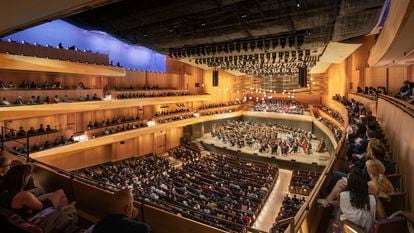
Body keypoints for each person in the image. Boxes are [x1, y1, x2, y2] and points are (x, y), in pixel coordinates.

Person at [0, 165, 68, 214]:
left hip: (21, 213)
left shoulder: (5, 191)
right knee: (61, 193)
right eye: (29, 177)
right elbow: (42, 207)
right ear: (23, 179)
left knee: (43, 191)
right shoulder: (23, 195)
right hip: (32, 217)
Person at [339, 168, 376, 232]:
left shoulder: (342, 195)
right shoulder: (373, 198)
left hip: (351, 229)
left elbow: (341, 210)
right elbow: (382, 219)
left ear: (349, 184)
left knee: (339, 216)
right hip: (369, 228)